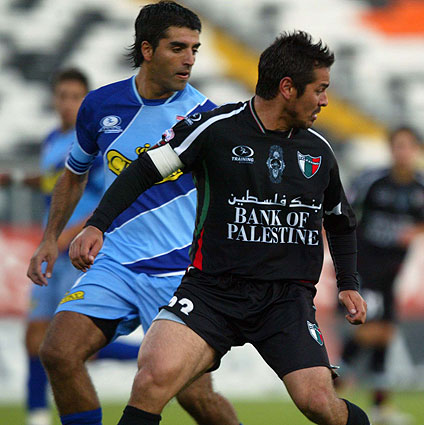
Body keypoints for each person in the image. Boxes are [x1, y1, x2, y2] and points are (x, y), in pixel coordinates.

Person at [70, 30, 371, 425]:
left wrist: (348, 283)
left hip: (285, 301)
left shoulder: (318, 150)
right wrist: (97, 225)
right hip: (212, 292)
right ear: (287, 88)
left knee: (318, 403)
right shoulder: (215, 129)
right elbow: (145, 169)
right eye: (319, 89)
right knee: (153, 377)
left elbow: (340, 221)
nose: (325, 100)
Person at [26, 3, 239, 425]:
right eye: (178, 48)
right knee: (58, 352)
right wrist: (50, 237)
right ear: (147, 49)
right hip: (116, 263)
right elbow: (73, 175)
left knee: (195, 396)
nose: (190, 59)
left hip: (178, 273)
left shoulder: (206, 116)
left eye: (194, 49)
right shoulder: (99, 106)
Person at [5, 68, 140, 425]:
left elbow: (109, 196)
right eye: (62, 96)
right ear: (54, 99)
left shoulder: (95, 141)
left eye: (75, 97)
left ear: (86, 101)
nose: (67, 104)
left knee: (74, 345)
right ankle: (37, 415)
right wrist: (14, 178)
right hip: (52, 250)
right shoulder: (53, 139)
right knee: (35, 338)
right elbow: (55, 180)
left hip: (82, 252)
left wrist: (70, 234)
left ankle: (149, 353)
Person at [338, 126, 424, 425]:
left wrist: (414, 232)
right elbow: (345, 210)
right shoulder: (372, 180)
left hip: (393, 270)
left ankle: (379, 407)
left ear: (418, 150)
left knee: (385, 333)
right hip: (364, 266)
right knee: (371, 329)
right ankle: (332, 389)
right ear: (390, 149)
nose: (403, 152)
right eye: (398, 145)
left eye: (409, 146)